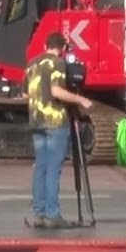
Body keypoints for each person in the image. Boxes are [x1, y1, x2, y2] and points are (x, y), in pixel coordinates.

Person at [24, 32, 93, 230]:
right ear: (62, 48)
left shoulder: (32, 63)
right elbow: (56, 91)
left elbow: (26, 92)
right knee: (54, 168)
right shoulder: (58, 63)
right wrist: (81, 100)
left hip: (36, 120)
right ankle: (52, 214)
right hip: (55, 120)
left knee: (41, 167)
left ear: (46, 44)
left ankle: (39, 213)